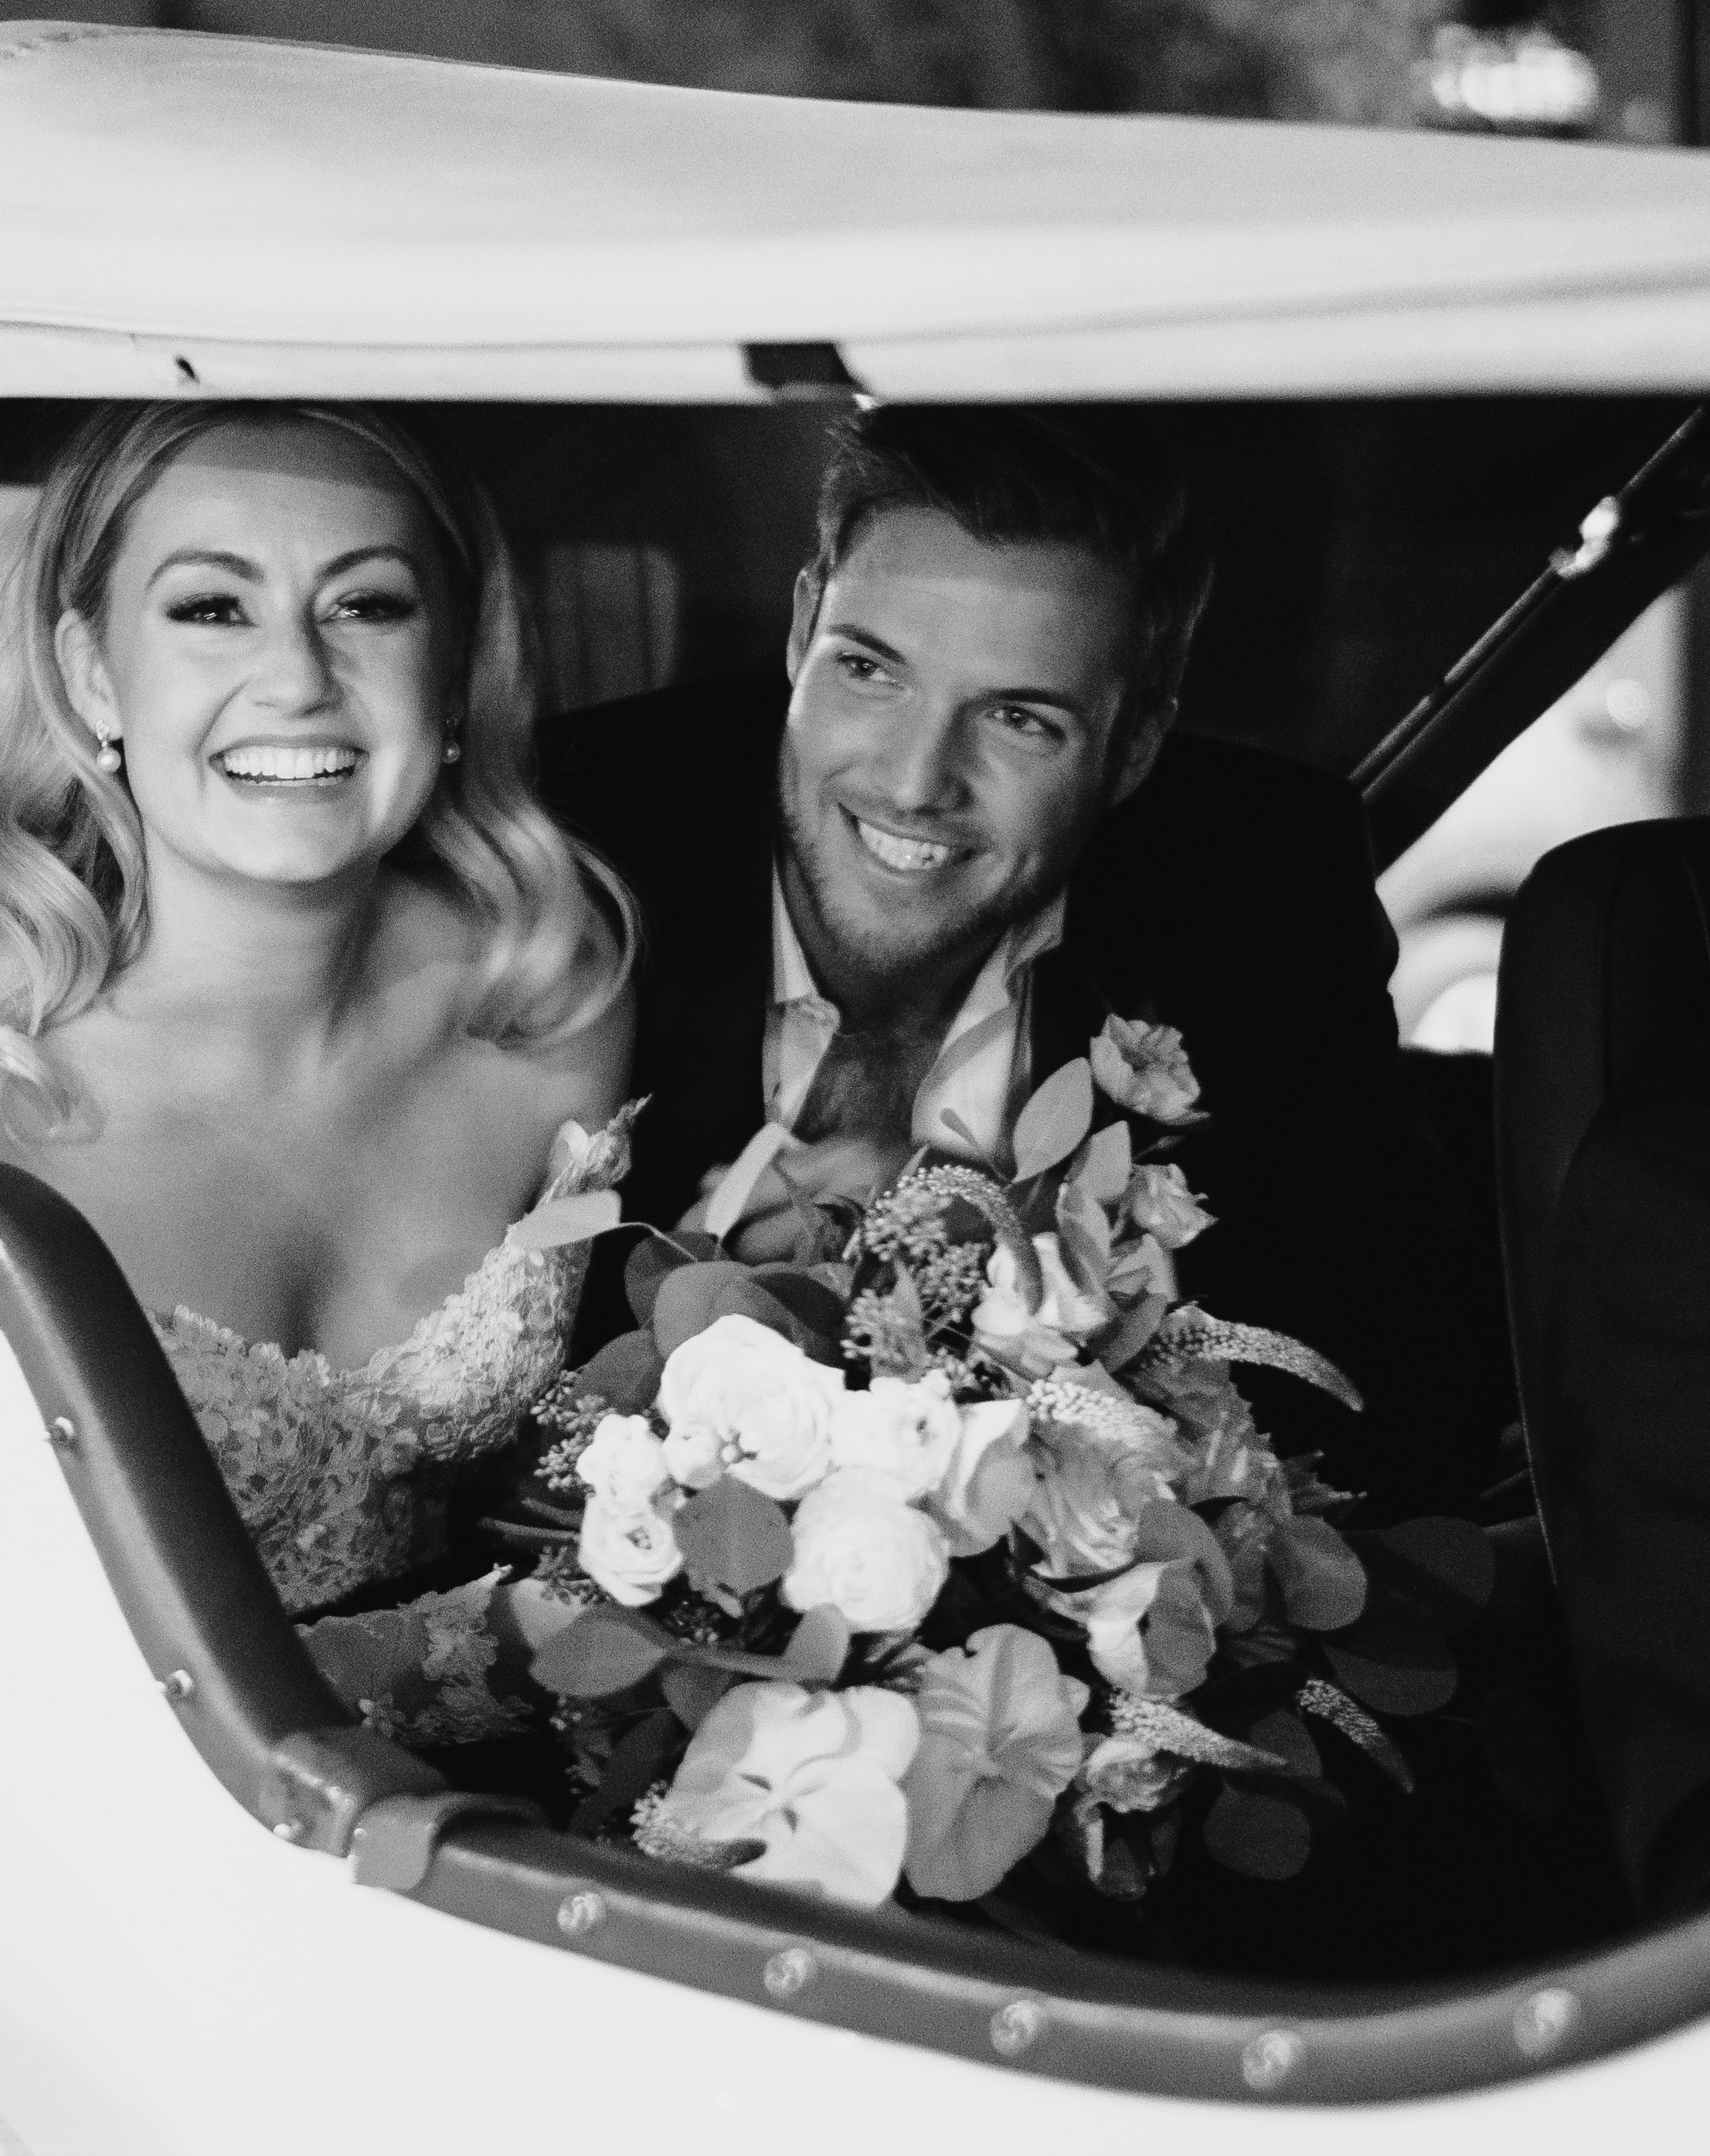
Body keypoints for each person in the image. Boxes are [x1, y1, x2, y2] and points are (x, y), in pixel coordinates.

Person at [548, 402, 1503, 1527]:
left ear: (1136, 738)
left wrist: (1061, 1304)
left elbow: (1419, 1395)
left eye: (1018, 718)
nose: (915, 782)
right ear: (804, 628)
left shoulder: (1261, 880)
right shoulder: (575, 839)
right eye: (870, 670)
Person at [0, 401, 637, 1616]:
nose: (298, 677)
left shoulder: (549, 1001)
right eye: (211, 608)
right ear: (94, 675)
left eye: (367, 604)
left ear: (453, 668)